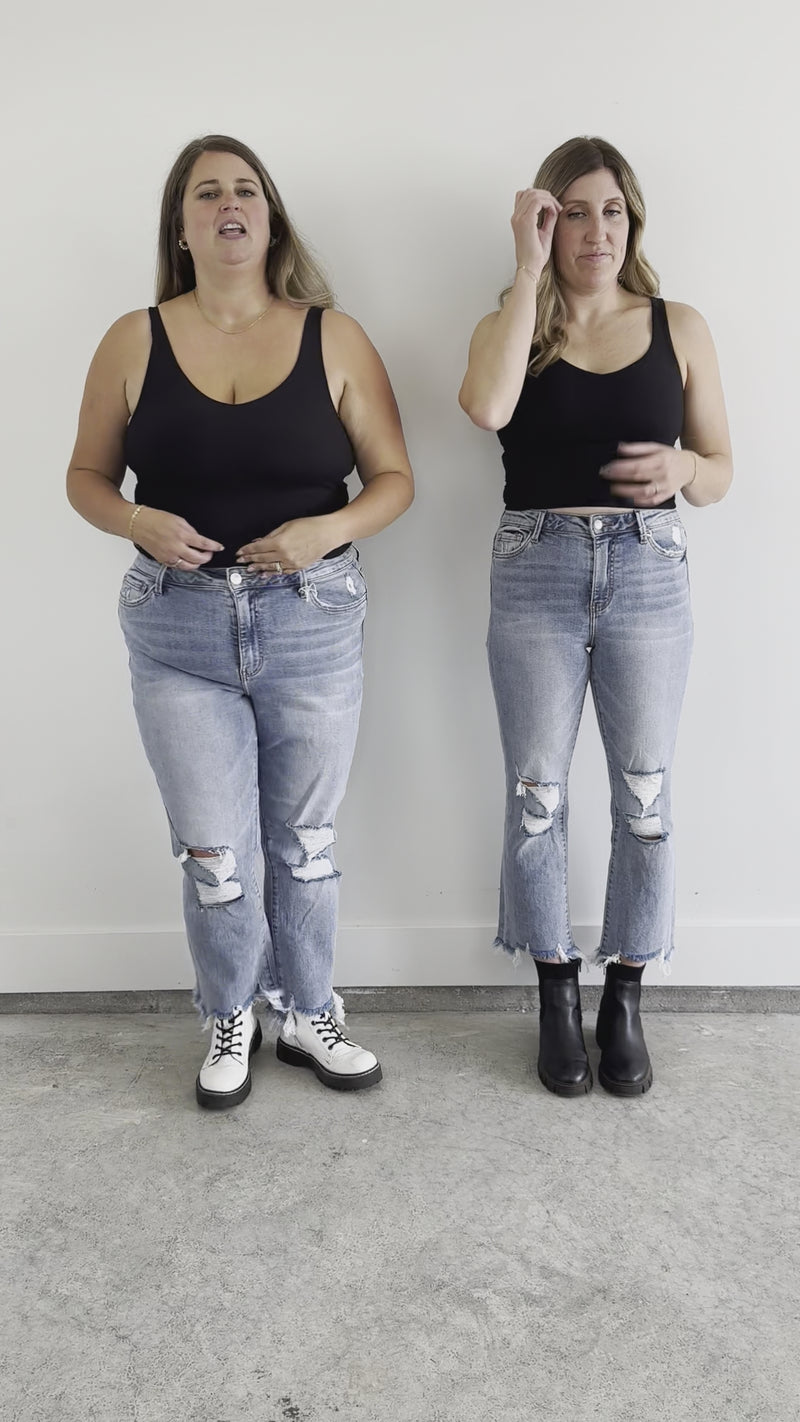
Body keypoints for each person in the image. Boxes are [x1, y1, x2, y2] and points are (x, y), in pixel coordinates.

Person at [67, 135, 413, 1109]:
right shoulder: (131, 339)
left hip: (310, 619)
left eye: (245, 190)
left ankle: (305, 1010)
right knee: (216, 853)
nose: (228, 204)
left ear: (270, 217)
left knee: (302, 840)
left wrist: (323, 532)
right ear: (180, 223)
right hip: (175, 629)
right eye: (206, 192)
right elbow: (85, 477)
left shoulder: (332, 337)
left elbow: (394, 479)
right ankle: (230, 1012)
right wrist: (134, 518)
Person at [459, 136, 732, 1098]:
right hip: (534, 568)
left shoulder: (678, 324)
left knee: (645, 797)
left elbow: (720, 472)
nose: (597, 230)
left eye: (612, 210)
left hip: (650, 571)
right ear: (545, 221)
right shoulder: (514, 323)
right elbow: (486, 409)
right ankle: (552, 991)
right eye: (575, 211)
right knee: (538, 794)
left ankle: (625, 994)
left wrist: (686, 470)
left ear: (633, 221)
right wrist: (525, 275)